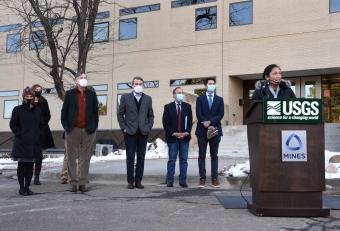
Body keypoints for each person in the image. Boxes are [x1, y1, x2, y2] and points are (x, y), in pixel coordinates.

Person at [61, 73, 99, 193]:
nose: (84, 80)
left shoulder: (92, 95)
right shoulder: (70, 94)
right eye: (81, 78)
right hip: (73, 130)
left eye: (85, 78)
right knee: (71, 157)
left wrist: (93, 127)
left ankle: (82, 183)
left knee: (85, 157)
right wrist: (67, 127)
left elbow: (95, 113)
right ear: (76, 80)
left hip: (88, 130)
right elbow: (64, 112)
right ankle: (73, 183)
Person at [117, 76, 154, 189]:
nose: (138, 86)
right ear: (132, 85)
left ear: (143, 85)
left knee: (141, 158)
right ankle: (130, 181)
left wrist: (148, 127)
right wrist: (124, 127)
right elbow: (120, 114)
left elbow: (150, 115)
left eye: (140, 84)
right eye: (136, 84)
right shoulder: (125, 97)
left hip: (143, 132)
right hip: (130, 132)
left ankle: (138, 181)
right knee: (130, 157)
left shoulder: (148, 99)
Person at [10, 87, 42, 196]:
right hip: (21, 142)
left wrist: (37, 136)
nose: (29, 98)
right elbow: (13, 124)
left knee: (30, 166)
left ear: (33, 98)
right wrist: (19, 134)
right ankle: (21, 188)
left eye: (30, 96)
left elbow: (40, 125)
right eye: (27, 96)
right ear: (23, 97)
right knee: (22, 166)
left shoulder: (37, 111)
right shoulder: (17, 109)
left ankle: (27, 187)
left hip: (33, 143)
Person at [195, 78, 224, 188]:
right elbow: (199, 113)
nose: (212, 85)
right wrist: (205, 122)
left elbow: (220, 114)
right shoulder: (200, 99)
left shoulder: (219, 99)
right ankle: (202, 179)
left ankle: (214, 179)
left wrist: (211, 122)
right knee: (201, 155)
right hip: (202, 130)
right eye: (210, 84)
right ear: (206, 86)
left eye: (213, 84)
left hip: (215, 130)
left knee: (214, 155)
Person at [162, 87, 193, 188]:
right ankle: (170, 180)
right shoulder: (168, 107)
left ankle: (182, 181)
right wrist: (174, 133)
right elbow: (166, 123)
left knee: (184, 160)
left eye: (181, 93)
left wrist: (187, 132)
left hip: (184, 138)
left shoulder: (187, 106)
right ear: (173, 95)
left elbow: (190, 121)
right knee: (172, 160)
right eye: (178, 93)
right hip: (172, 138)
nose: (180, 94)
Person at [31, 84, 55, 185]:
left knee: (38, 155)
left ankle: (37, 176)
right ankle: (27, 175)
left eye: (40, 90)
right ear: (33, 90)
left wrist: (42, 123)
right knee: (29, 154)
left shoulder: (44, 101)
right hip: (30, 131)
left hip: (41, 130)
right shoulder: (29, 100)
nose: (38, 91)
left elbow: (48, 115)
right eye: (36, 89)